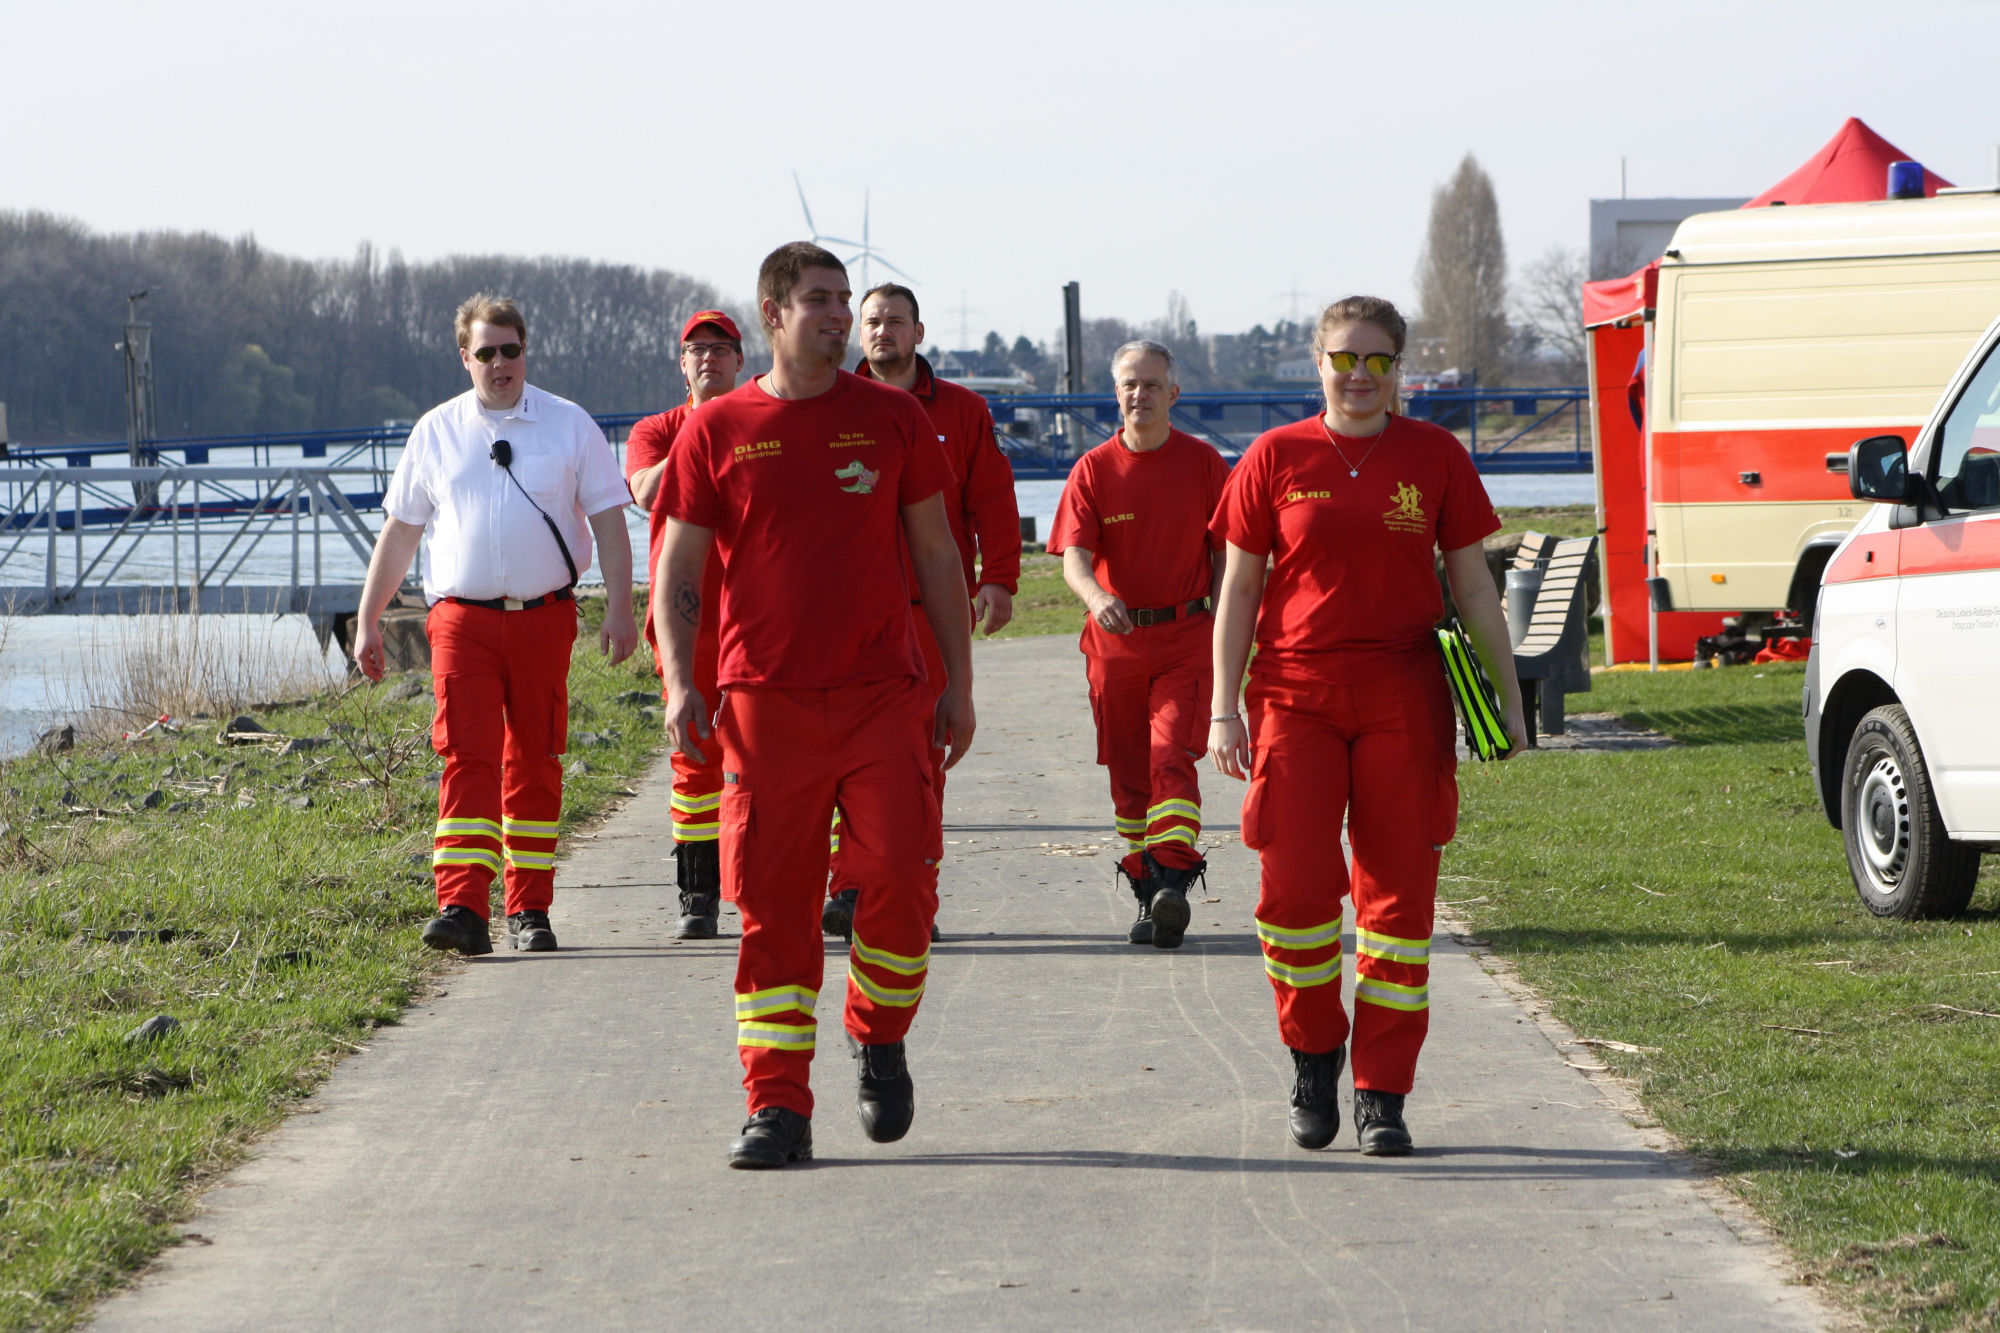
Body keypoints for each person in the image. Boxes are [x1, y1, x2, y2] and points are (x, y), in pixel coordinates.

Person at [653, 242, 975, 1170]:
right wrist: (680, 681)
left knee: (903, 875)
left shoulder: (892, 418)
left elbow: (937, 554)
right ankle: (777, 1105)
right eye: (820, 300)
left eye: (844, 299)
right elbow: (679, 567)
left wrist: (959, 682)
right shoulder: (717, 429)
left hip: (884, 695)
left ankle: (879, 1031)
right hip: (764, 705)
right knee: (773, 907)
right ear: (773, 313)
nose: (839, 315)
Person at [1206, 296, 1526, 1156]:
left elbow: (1472, 585)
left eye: (1377, 360)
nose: (1359, 374)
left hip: (1402, 694)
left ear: (1398, 369)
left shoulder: (1435, 456)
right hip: (1294, 694)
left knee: (1397, 900)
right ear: (1318, 363)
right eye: (1344, 358)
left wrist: (1509, 696)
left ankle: (1383, 1092)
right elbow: (1239, 587)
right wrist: (1222, 706)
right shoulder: (1274, 457)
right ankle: (1314, 1058)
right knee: (1295, 891)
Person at [354, 294, 637, 956]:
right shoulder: (436, 431)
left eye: (511, 349)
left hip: (544, 617)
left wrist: (621, 607)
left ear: (525, 350)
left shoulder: (569, 424)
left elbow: (609, 522)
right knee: (466, 756)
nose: (500, 363)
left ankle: (530, 909)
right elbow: (401, 532)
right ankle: (462, 906)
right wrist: (369, 618)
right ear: (465, 357)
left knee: (534, 758)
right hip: (461, 622)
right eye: (486, 352)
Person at [821, 282, 1021, 942]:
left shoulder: (962, 411)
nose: (883, 331)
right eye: (873, 321)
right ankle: (851, 886)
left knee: (921, 760)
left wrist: (999, 578)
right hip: (849, 614)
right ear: (860, 332)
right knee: (845, 756)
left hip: (928, 613)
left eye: (896, 321)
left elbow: (992, 497)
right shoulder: (831, 404)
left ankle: (912, 897)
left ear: (919, 332)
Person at [1048, 340, 1228, 949]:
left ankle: (1173, 875)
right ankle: (1151, 894)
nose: (1139, 394)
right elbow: (1073, 557)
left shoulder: (1204, 464)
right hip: (1115, 645)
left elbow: (1227, 554)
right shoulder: (1093, 469)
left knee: (1169, 755)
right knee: (1128, 776)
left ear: (1173, 394)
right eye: (1129, 383)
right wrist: (1097, 596)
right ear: (1115, 393)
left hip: (1186, 636)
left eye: (1152, 385)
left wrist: (1227, 625)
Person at [625, 309, 746, 940]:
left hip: (757, 616)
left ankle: (792, 889)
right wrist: (705, 430)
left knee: (770, 756)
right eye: (697, 349)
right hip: (686, 620)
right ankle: (699, 895)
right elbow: (646, 490)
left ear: (740, 361)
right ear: (682, 363)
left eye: (721, 348)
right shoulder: (656, 429)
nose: (709, 358)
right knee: (694, 754)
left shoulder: (762, 423)